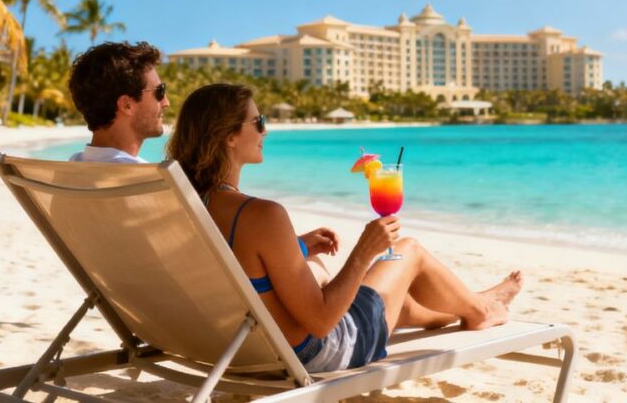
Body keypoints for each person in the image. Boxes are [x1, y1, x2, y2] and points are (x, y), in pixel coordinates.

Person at [167, 83, 523, 373]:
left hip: (235, 348)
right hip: (311, 355)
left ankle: (472, 301)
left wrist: (299, 247)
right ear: (230, 136)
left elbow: (238, 263)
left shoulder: (184, 203)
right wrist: (364, 250)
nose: (266, 130)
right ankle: (480, 311)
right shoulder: (261, 214)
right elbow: (321, 322)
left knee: (374, 295)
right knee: (409, 251)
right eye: (258, 122)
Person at [67, 41, 169, 163]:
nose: (166, 102)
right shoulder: (153, 179)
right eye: (160, 92)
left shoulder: (72, 164)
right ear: (126, 105)